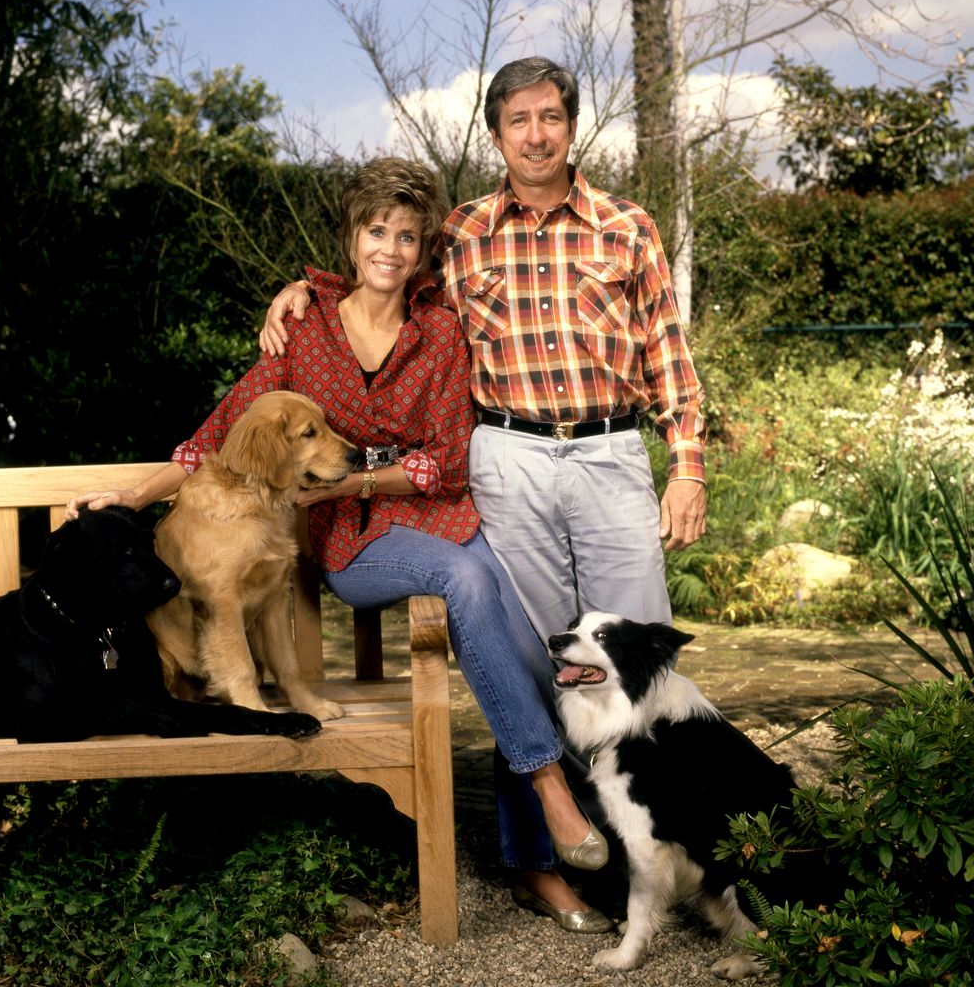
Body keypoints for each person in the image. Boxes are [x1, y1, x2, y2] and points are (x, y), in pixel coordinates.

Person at [68, 156, 614, 933]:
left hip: (442, 519)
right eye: (375, 231)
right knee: (469, 583)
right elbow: (220, 432)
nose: (389, 248)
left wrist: (359, 479)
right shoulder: (305, 327)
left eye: (407, 236)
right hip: (354, 547)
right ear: (353, 238)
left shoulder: (438, 333)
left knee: (529, 647)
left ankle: (538, 865)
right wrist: (131, 496)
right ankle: (551, 792)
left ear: (423, 251)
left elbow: (450, 461)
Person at [262, 58, 708, 914]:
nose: (535, 134)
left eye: (550, 117)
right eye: (518, 121)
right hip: (507, 458)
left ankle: (664, 859)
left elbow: (669, 357)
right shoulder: (462, 233)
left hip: (611, 452)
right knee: (536, 660)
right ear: (495, 132)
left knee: (638, 658)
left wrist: (685, 464)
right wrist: (300, 290)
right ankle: (542, 863)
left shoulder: (627, 226)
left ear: (570, 125)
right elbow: (377, 286)